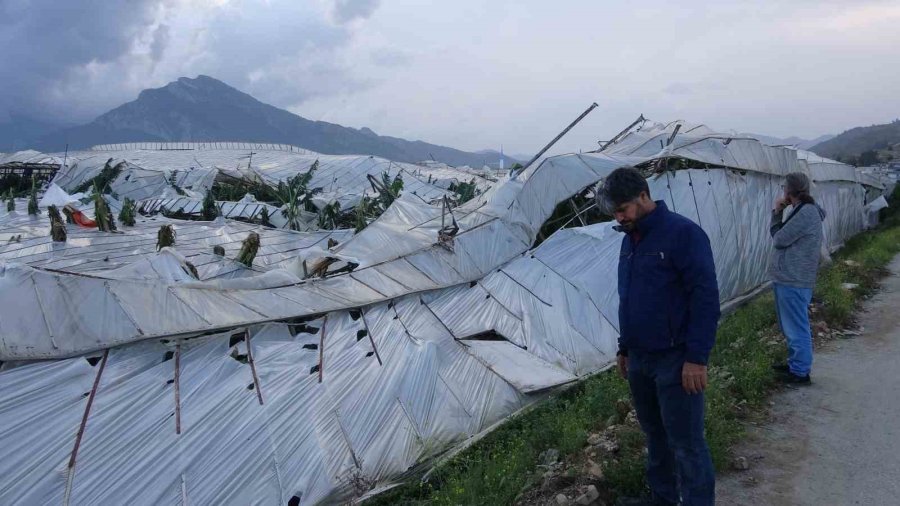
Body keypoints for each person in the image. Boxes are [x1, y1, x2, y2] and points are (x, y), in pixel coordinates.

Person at [598, 167, 720, 506]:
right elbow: (629, 298)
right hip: (640, 359)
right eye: (614, 212)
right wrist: (624, 348)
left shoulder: (683, 234)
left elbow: (705, 298)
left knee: (687, 443)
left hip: (676, 359)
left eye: (622, 209)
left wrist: (697, 358)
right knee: (655, 436)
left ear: (643, 196)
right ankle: (663, 499)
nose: (619, 217)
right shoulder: (630, 240)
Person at [770, 172, 826, 385]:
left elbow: (779, 239)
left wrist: (776, 212)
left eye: (784, 187)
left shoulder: (806, 213)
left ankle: (801, 372)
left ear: (789, 191)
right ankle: (796, 365)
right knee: (791, 326)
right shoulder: (803, 210)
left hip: (793, 279)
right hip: (791, 278)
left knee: (796, 327)